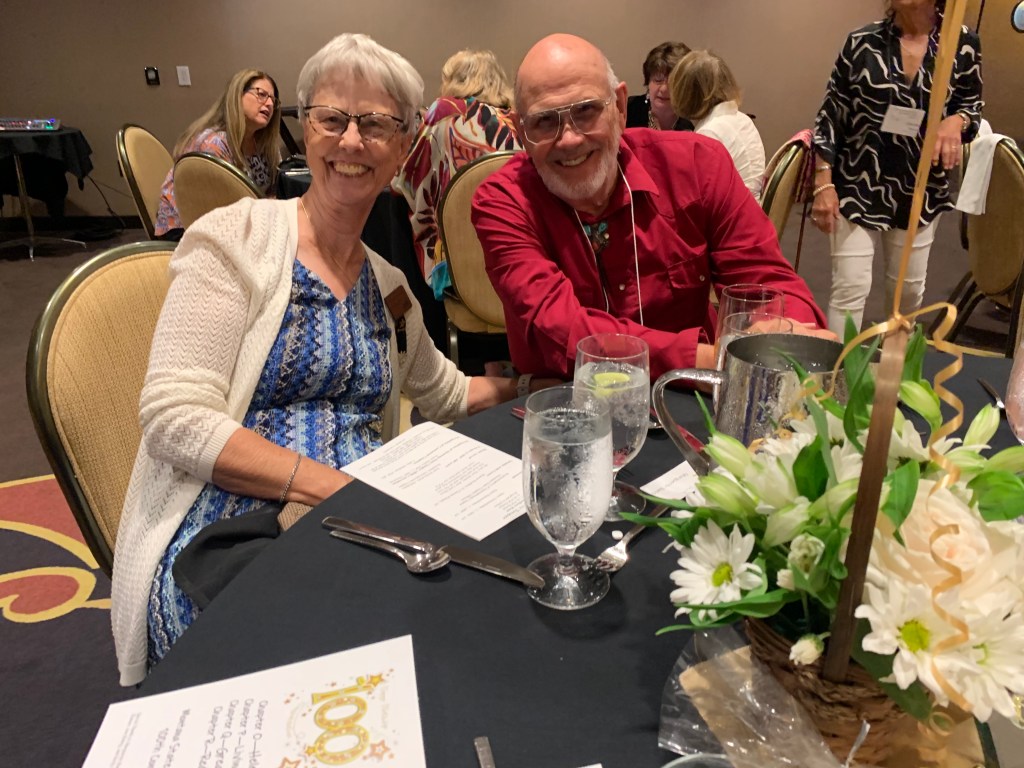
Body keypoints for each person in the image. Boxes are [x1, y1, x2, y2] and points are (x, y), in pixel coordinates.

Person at [112, 34, 550, 687]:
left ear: (404, 146)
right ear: (306, 128)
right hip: (228, 530)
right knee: (328, 660)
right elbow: (175, 419)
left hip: (363, 525)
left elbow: (448, 394)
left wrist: (538, 384)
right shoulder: (236, 238)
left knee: (476, 619)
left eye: (374, 124)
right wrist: (333, 488)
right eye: (331, 118)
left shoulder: (391, 288)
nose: (351, 140)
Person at [471, 34, 828, 381]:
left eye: (586, 110)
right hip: (566, 398)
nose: (569, 139)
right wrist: (714, 358)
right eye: (545, 121)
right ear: (521, 130)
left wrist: (786, 337)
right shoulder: (502, 201)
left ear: (620, 107)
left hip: (693, 398)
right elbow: (560, 330)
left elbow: (771, 287)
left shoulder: (697, 165)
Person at [811, 0, 983, 332]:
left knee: (908, 295)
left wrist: (957, 120)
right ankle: (838, 366)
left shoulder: (962, 43)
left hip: (919, 187)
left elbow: (971, 104)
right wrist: (823, 183)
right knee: (849, 287)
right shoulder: (862, 42)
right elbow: (830, 117)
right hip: (858, 181)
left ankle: (896, 363)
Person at [393, 49, 522, 298]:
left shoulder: (445, 110)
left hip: (461, 256)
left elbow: (410, 175)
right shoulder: (517, 120)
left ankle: (414, 304)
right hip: (514, 248)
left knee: (398, 204)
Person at [154, 68, 283, 239]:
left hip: (236, 224)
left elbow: (273, 190)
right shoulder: (212, 143)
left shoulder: (264, 145)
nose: (269, 104)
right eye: (261, 94)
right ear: (237, 94)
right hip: (186, 231)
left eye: (273, 100)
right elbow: (220, 210)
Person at [668, 50, 766, 198]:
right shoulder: (742, 120)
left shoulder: (710, 133)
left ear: (687, 93)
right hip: (752, 205)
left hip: (732, 210)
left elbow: (697, 195)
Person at [625, 41, 694, 132]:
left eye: (672, 83)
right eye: (658, 80)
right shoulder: (627, 110)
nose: (664, 89)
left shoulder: (689, 126)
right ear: (648, 81)